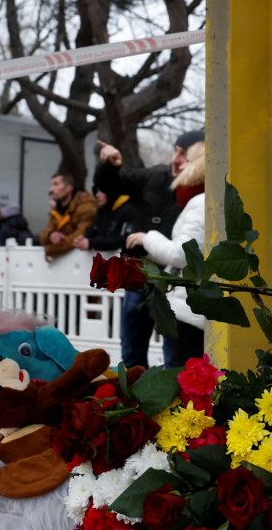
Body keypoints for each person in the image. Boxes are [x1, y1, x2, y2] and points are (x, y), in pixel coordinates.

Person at [94, 129, 201, 369]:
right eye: (175, 151)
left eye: (184, 155)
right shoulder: (155, 175)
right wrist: (108, 166)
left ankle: (172, 402)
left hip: (176, 281)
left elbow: (182, 252)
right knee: (132, 348)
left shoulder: (202, 198)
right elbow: (111, 184)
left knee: (175, 354)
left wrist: (147, 238)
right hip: (141, 273)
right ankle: (134, 396)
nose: (175, 160)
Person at [126, 142, 206, 368]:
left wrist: (147, 238)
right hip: (189, 308)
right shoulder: (200, 201)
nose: (181, 165)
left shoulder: (200, 203)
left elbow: (183, 255)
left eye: (188, 159)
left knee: (180, 376)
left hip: (188, 311)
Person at [39, 174, 97, 258]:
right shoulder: (57, 209)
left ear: (69, 188)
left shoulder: (87, 206)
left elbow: (78, 237)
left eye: (56, 184)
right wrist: (51, 235)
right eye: (51, 185)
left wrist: (49, 250)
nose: (51, 190)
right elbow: (43, 236)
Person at [72, 185, 135, 252]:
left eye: (100, 191)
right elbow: (96, 231)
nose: (97, 195)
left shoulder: (128, 210)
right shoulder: (102, 209)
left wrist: (91, 242)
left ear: (110, 192)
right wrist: (84, 238)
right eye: (96, 191)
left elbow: (124, 240)